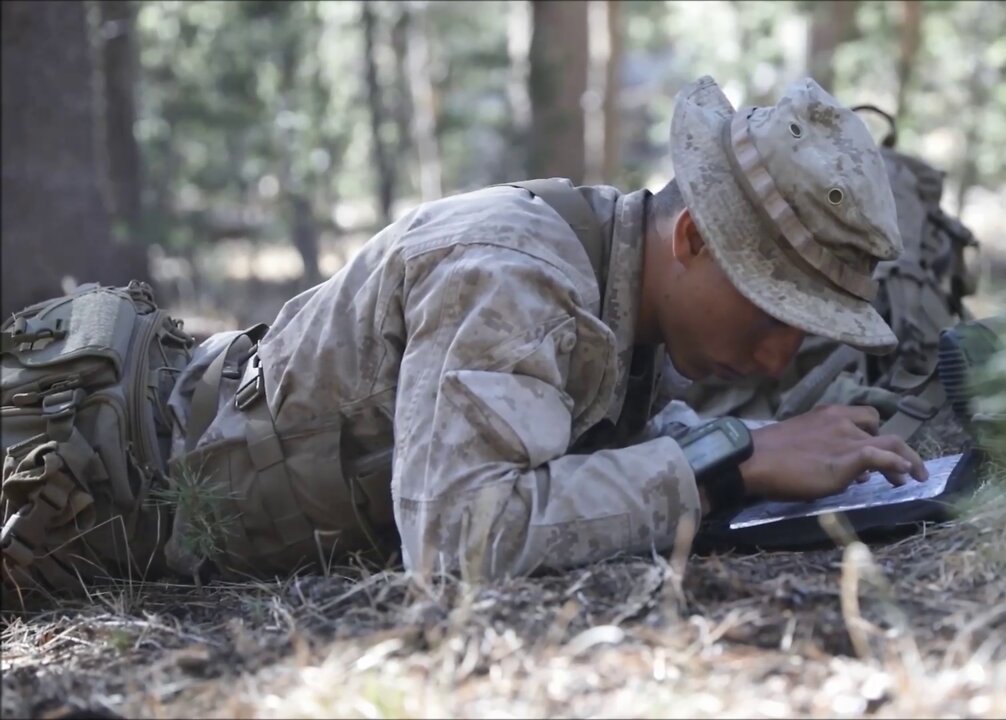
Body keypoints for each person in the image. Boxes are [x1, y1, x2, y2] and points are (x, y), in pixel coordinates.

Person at [8, 75, 932, 597]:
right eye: (774, 316)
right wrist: (729, 459)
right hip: (77, 485)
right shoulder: (512, 271)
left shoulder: (628, 287)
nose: (777, 359)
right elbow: (458, 538)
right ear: (690, 239)